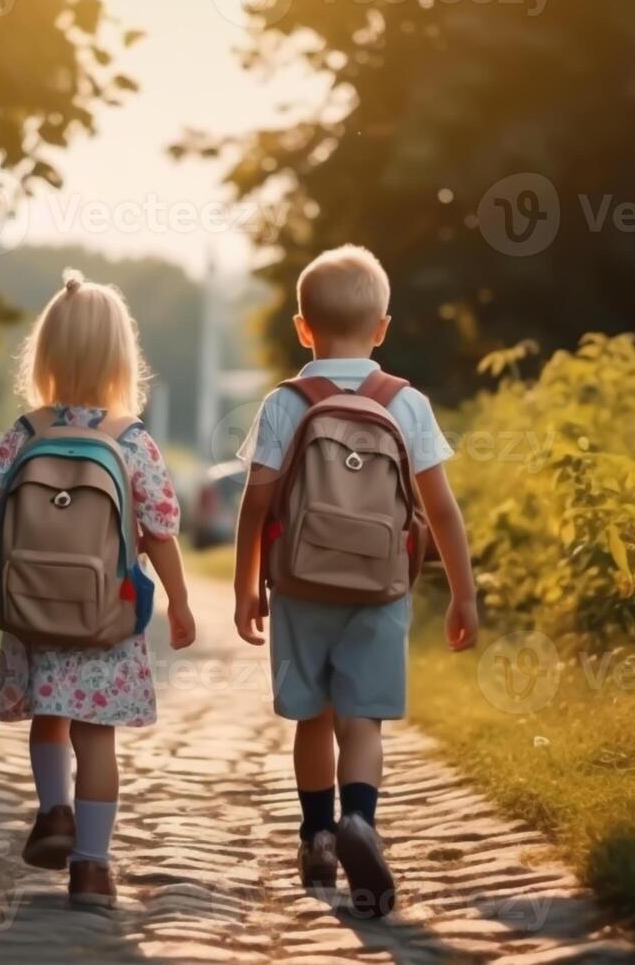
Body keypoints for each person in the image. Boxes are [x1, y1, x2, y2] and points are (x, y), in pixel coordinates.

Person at [231, 245, 478, 915]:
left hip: (301, 583)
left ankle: (315, 836)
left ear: (302, 329)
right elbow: (440, 509)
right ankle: (360, 821)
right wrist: (462, 592)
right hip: (381, 587)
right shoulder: (406, 404)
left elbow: (255, 503)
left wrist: (244, 587)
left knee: (312, 717)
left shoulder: (284, 404)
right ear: (382, 328)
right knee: (362, 718)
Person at [0, 269, 197, 908]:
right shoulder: (131, 440)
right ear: (123, 357)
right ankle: (92, 868)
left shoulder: (25, 432)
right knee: (99, 740)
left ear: (44, 355)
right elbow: (162, 531)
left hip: (34, 613)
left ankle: (53, 812)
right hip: (108, 618)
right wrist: (177, 601)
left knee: (51, 720)